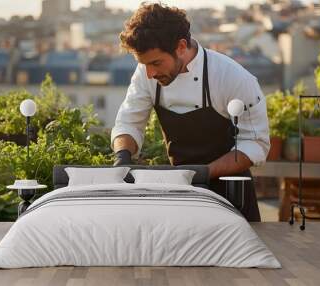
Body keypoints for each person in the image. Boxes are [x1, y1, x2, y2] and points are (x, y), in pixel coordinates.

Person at [111, 3, 270, 222]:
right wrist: (123, 157)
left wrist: (203, 173)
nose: (149, 73)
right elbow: (130, 121)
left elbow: (255, 143)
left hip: (232, 196)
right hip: (183, 194)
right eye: (144, 64)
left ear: (181, 47)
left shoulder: (232, 77)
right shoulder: (146, 73)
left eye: (156, 63)